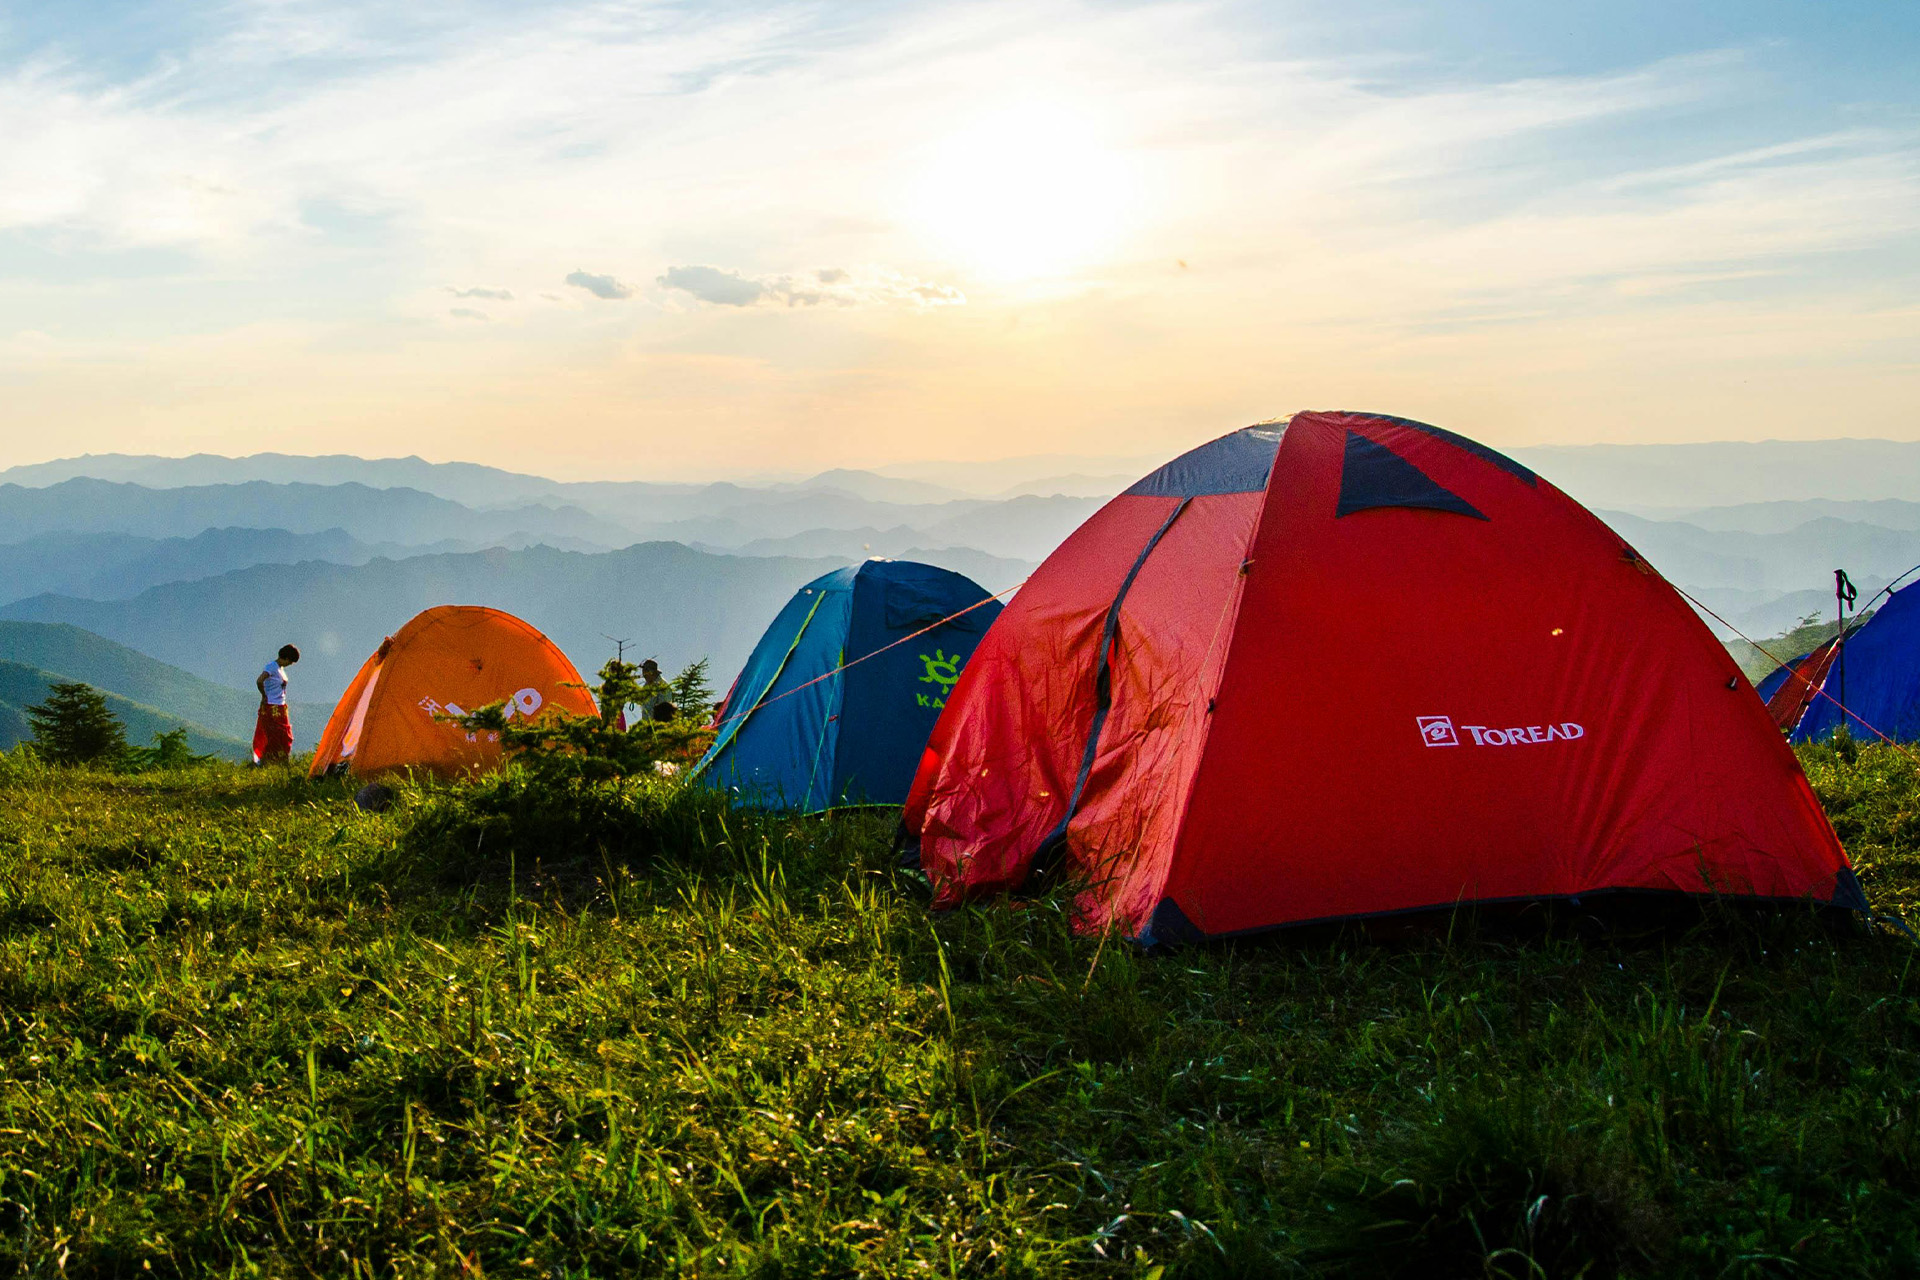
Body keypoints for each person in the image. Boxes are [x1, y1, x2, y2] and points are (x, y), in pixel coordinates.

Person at [253, 644, 300, 764]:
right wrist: (264, 695)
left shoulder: (280, 669)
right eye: (290, 661)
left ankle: (280, 760)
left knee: (284, 735)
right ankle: (270, 761)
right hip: (272, 706)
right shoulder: (271, 667)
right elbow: (260, 680)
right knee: (274, 735)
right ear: (286, 657)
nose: (290, 664)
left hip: (280, 707)